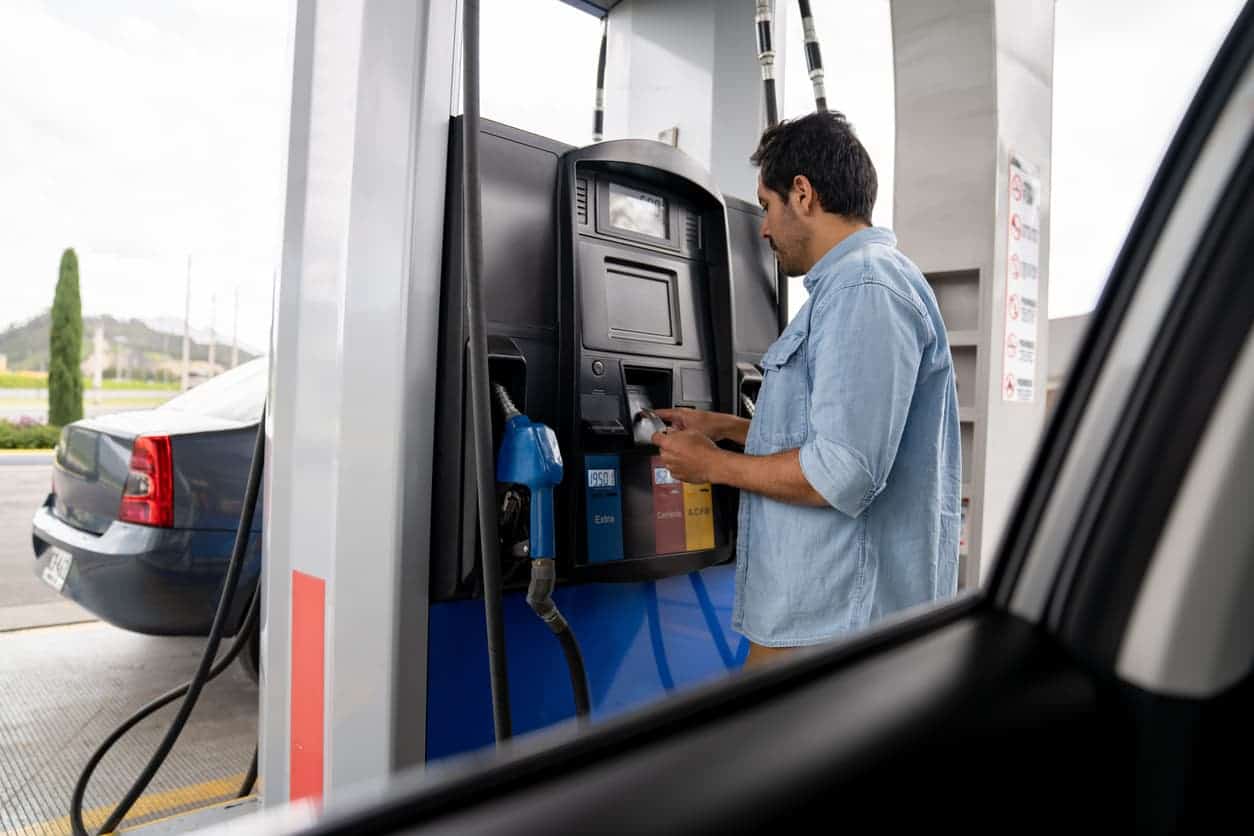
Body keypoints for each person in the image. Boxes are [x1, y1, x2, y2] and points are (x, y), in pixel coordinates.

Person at [651, 111, 961, 667]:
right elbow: (840, 437)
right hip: (821, 615)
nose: (764, 228)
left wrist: (712, 466)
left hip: (833, 622)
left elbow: (842, 471)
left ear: (803, 193)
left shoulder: (865, 288)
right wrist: (727, 430)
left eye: (767, 206)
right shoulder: (855, 286)